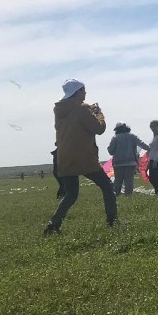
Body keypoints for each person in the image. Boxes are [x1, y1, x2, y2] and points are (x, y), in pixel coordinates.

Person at [44, 79, 117, 234]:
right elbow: (99, 129)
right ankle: (112, 220)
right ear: (77, 92)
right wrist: (98, 114)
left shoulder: (59, 110)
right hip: (84, 157)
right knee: (107, 186)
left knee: (71, 194)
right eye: (83, 90)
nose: (85, 93)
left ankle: (53, 225)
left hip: (64, 157)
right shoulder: (82, 108)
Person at [107, 122, 150, 197]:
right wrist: (150, 149)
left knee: (118, 181)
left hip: (118, 163)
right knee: (129, 181)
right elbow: (142, 144)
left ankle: (115, 196)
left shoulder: (115, 138)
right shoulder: (132, 136)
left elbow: (111, 151)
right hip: (131, 163)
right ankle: (128, 196)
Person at [147, 120, 158, 195]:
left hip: (157, 160)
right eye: (152, 126)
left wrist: (155, 161)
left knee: (155, 178)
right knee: (151, 178)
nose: (153, 128)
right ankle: (157, 191)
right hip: (151, 159)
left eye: (155, 126)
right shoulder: (153, 138)